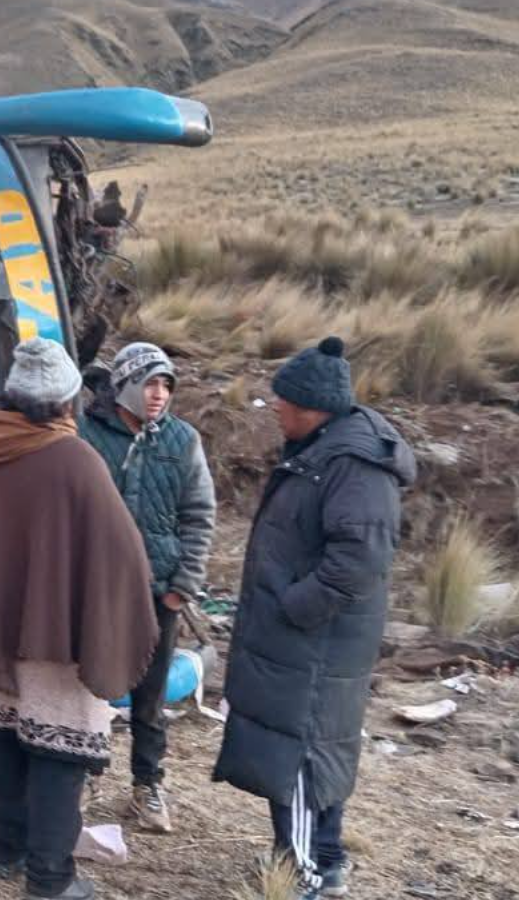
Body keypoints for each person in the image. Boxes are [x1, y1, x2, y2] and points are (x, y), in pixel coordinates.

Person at [0, 337, 158, 900]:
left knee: (3, 733)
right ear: (65, 401)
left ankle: (3, 850)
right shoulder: (73, 459)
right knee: (60, 746)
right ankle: (51, 878)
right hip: (60, 633)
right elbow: (123, 551)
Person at [212, 337, 415, 900]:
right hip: (311, 641)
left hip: (315, 640)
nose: (273, 407)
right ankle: (320, 860)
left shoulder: (351, 464)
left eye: (283, 400)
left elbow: (360, 559)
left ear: (313, 407)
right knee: (313, 749)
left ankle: (301, 877)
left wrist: (297, 606)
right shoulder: (329, 446)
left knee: (297, 757)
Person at [78, 342, 216, 833]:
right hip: (97, 585)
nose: (159, 395)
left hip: (160, 589)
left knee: (150, 695)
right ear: (125, 385)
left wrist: (183, 584)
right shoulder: (86, 433)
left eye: (166, 386)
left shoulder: (182, 440)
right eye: (150, 383)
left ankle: (146, 786)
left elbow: (199, 515)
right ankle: (84, 775)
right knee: (90, 683)